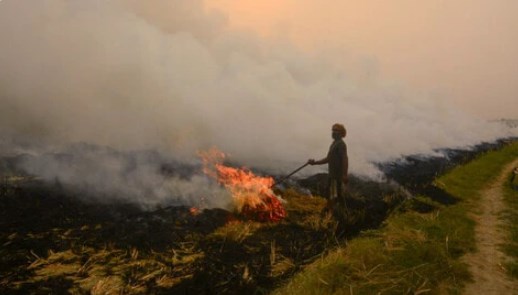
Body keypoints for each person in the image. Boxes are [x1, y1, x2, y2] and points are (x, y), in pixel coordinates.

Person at [308, 123, 349, 211]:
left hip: (336, 175)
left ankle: (331, 212)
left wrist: (345, 174)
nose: (334, 132)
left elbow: (345, 159)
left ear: (341, 133)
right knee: (331, 193)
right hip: (332, 174)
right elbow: (328, 159)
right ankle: (330, 209)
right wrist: (314, 163)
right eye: (333, 130)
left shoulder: (341, 144)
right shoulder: (334, 144)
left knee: (333, 194)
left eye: (336, 130)